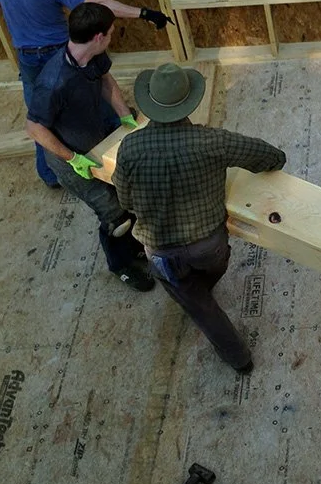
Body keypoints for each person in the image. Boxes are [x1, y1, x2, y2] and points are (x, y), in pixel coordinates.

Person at [113, 63, 286, 374]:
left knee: (197, 303)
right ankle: (228, 339)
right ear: (189, 102)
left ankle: (231, 348)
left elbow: (125, 200)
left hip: (163, 252)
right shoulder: (211, 141)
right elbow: (271, 156)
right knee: (204, 288)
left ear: (151, 104)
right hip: (211, 247)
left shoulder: (130, 147)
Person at [0, 0, 173, 188]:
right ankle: (117, 153)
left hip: (27, 58)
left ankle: (50, 175)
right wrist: (144, 13)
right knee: (91, 101)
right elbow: (99, 5)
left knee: (40, 113)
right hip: (57, 55)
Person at [24, 3, 154, 292]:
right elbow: (33, 128)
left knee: (128, 195)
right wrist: (73, 159)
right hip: (72, 156)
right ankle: (120, 265)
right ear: (98, 37)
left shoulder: (93, 55)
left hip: (99, 135)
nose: (112, 36)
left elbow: (105, 80)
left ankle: (134, 245)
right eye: (110, 33)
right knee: (114, 215)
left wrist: (124, 116)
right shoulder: (54, 81)